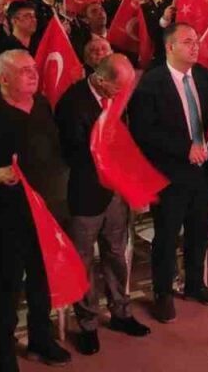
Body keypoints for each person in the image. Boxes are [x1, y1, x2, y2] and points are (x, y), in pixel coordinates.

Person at [0, 50, 72, 370]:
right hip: (9, 215)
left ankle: (41, 339)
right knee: (9, 284)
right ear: (4, 78)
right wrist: (0, 174)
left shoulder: (42, 105)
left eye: (34, 69)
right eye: (24, 70)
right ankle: (4, 352)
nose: (33, 74)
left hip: (49, 210)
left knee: (42, 280)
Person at [55, 54, 151, 355]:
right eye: (117, 87)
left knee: (116, 253)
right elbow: (74, 154)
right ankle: (87, 324)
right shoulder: (73, 103)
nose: (121, 94)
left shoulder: (115, 98)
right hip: (85, 194)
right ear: (100, 79)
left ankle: (120, 311)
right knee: (83, 261)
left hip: (114, 193)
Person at [128, 23, 208, 322]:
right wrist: (184, 148)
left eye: (196, 41)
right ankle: (163, 293)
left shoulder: (205, 78)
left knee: (200, 229)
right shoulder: (151, 83)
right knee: (167, 235)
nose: (195, 47)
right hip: (169, 173)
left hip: (203, 169)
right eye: (187, 42)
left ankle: (195, 283)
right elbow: (144, 131)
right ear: (170, 47)